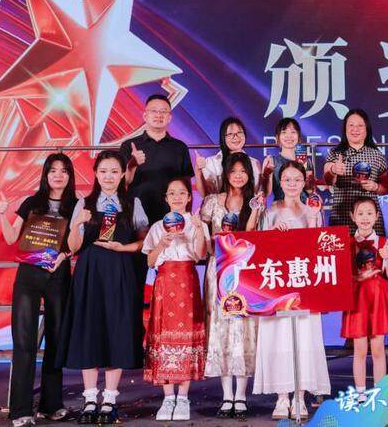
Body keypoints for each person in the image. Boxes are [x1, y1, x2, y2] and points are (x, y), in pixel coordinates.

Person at [56, 150, 149, 425]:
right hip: (90, 273)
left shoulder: (132, 204)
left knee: (116, 330)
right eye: (104, 171)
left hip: (121, 272)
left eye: (114, 171)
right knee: (90, 330)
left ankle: (109, 399)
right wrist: (77, 223)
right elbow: (73, 247)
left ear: (122, 175)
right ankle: (89, 399)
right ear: (96, 174)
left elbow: (144, 242)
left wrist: (123, 248)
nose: (109, 177)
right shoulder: (84, 203)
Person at [0, 153, 77, 427]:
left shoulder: (76, 205)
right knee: (24, 341)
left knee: (56, 338)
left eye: (64, 171)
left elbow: (76, 244)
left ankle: (51, 405)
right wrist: (1, 213)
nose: (58, 175)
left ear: (70, 176)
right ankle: (20, 409)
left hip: (58, 275)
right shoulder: (32, 203)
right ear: (45, 174)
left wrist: (63, 257)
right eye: (53, 170)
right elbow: (11, 237)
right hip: (28, 275)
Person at [253, 161, 331, 421]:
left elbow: (321, 246)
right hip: (278, 286)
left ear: (304, 182)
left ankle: (300, 396)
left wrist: (314, 220)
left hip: (305, 285)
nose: (292, 184)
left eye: (297, 179)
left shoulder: (313, 210)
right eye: (287, 179)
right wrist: (274, 234)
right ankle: (282, 396)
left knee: (304, 338)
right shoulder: (271, 211)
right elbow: (260, 247)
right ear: (280, 182)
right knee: (279, 338)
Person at [141, 178, 210, 421]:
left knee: (187, 336)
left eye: (182, 193)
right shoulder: (157, 227)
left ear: (189, 197)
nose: (177, 197)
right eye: (172, 193)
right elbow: (150, 262)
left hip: (187, 283)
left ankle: (183, 397)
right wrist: (162, 243)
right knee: (164, 336)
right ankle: (168, 397)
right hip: (164, 283)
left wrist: (199, 230)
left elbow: (201, 255)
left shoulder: (196, 223)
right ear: (166, 198)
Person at [119, 94, 195, 312]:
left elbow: (186, 186)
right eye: (154, 111)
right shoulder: (130, 146)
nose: (159, 115)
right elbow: (121, 184)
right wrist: (132, 164)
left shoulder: (179, 147)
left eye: (164, 112)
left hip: (170, 222)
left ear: (170, 117)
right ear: (145, 115)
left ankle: (171, 326)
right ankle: (133, 330)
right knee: (134, 278)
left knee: (172, 279)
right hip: (137, 222)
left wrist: (186, 220)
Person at [200, 152, 260, 420]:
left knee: (243, 328)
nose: (238, 175)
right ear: (225, 174)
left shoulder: (255, 202)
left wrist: (256, 211)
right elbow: (203, 240)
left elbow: (252, 238)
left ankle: (241, 396)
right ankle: (226, 395)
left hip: (244, 272)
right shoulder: (212, 202)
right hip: (217, 269)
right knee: (220, 328)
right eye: (233, 171)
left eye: (243, 171)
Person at [340, 198, 388, 400]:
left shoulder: (384, 243)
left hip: (378, 299)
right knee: (359, 348)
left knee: (377, 348)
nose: (365, 217)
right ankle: (360, 393)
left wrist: (387, 257)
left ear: (376, 217)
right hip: (357, 299)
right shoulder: (346, 243)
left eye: (369, 213)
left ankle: (379, 392)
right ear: (353, 217)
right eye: (360, 213)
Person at [323, 109, 388, 236]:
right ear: (345, 128)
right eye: (351, 125)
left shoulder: (377, 155)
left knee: (374, 249)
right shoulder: (335, 153)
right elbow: (327, 180)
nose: (355, 129)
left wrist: (375, 187)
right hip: (341, 216)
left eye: (360, 125)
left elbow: (386, 187)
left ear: (367, 129)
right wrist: (334, 170)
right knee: (341, 248)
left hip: (369, 219)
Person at [195, 117, 263, 197]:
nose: (236, 137)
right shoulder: (211, 162)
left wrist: (268, 175)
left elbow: (257, 193)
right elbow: (205, 194)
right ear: (223, 137)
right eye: (230, 134)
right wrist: (198, 171)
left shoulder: (254, 163)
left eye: (239, 133)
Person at [263, 117, 310, 202]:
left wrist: (306, 175)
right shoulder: (272, 161)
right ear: (277, 137)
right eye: (284, 132)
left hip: (303, 207)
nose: (289, 136)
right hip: (281, 207)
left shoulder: (306, 161)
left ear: (299, 137)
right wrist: (267, 174)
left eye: (293, 132)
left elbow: (310, 191)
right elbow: (267, 193)